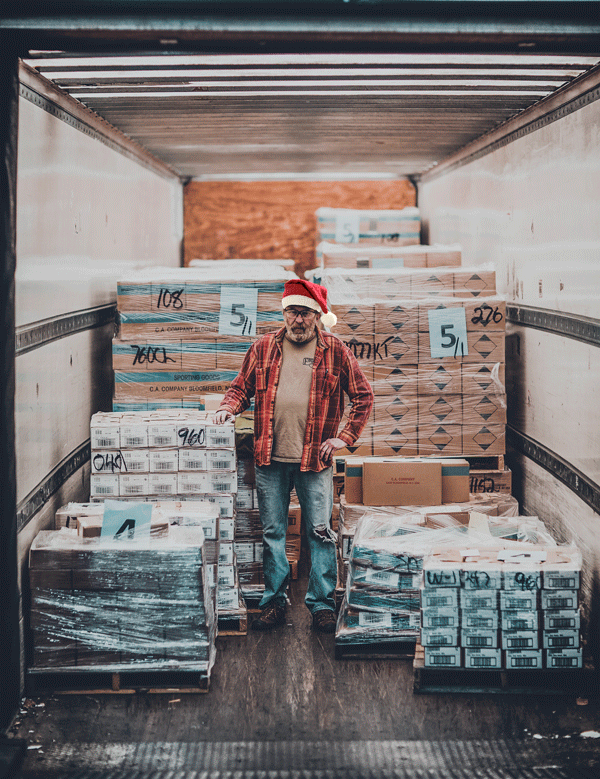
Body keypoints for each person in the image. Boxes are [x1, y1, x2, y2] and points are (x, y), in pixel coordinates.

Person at [214, 278, 374, 633]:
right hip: (270, 458)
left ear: (317, 315)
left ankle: (320, 604)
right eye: (292, 312)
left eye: (305, 313)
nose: (298, 320)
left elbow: (363, 395)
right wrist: (228, 407)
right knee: (272, 532)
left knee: (319, 532)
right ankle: (274, 601)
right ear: (283, 313)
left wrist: (343, 438)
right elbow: (240, 387)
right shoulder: (262, 349)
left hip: (314, 460)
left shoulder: (335, 350)